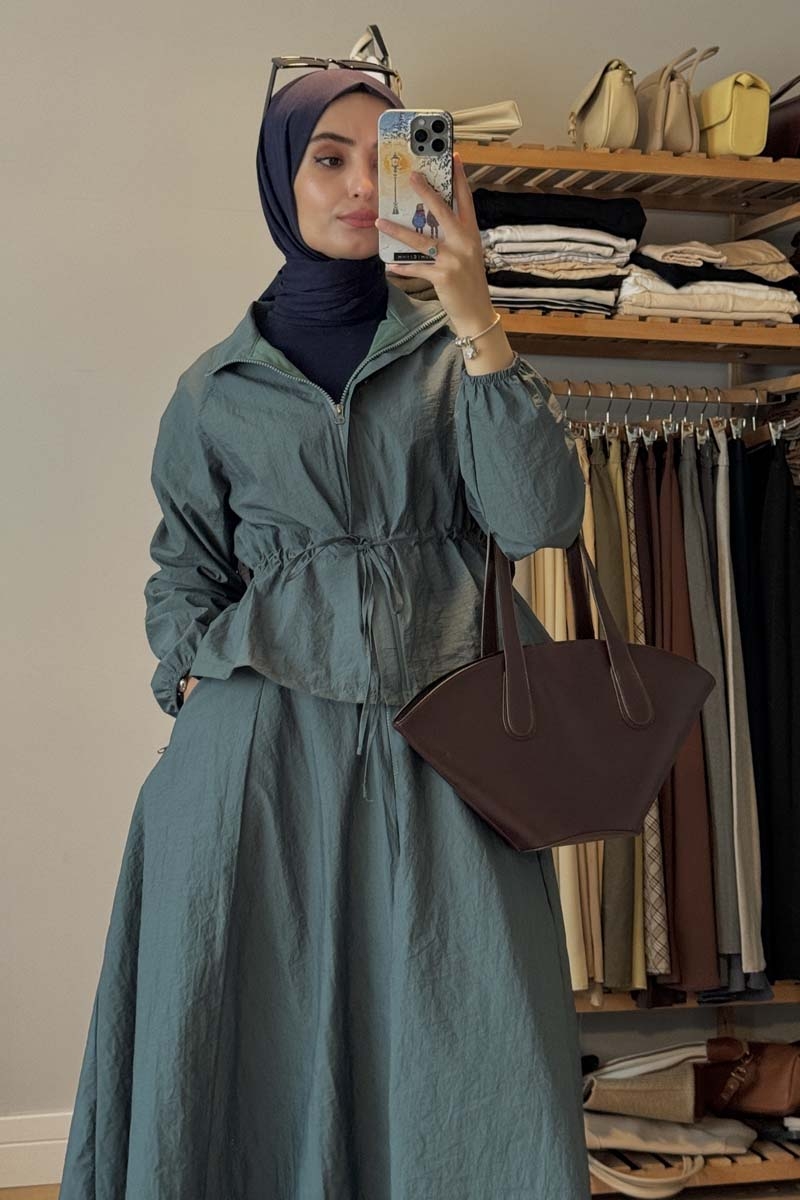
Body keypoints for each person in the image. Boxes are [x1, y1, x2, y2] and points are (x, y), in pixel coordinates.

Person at [58, 67, 589, 1199]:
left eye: (379, 154)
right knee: (255, 1041)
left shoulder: (455, 359)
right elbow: (183, 569)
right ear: (279, 180)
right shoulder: (213, 390)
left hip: (446, 750)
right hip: (257, 765)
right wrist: (188, 681)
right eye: (326, 158)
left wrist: (477, 316)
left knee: (470, 1036)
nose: (356, 184)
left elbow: (539, 520)